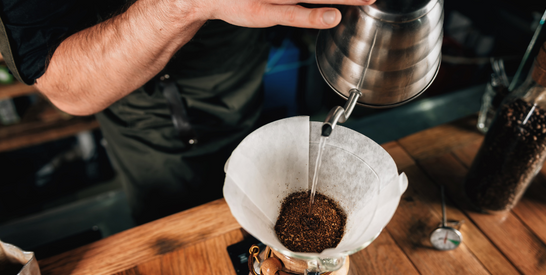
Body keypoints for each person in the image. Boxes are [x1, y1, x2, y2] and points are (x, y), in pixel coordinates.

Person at [0, 0, 374, 224]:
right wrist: (187, 4)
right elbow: (68, 87)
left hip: (244, 74)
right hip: (154, 121)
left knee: (261, 203)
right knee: (182, 230)